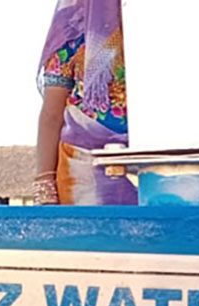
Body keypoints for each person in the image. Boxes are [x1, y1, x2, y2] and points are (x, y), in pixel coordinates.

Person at [35, 0, 137, 205]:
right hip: (84, 173)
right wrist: (44, 188)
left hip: (162, 166)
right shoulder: (71, 27)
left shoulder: (165, 19)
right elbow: (52, 114)